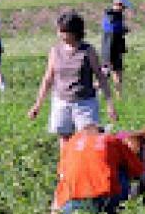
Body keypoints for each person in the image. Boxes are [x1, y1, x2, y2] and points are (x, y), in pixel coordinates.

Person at [28, 11, 117, 143]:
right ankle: (65, 164)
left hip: (85, 104)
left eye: (63, 31)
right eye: (59, 31)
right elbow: (48, 79)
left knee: (88, 140)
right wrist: (37, 105)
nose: (59, 34)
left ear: (74, 32)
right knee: (64, 140)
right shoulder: (55, 51)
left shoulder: (88, 50)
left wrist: (110, 104)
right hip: (61, 102)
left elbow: (100, 77)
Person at [50, 123, 144, 214]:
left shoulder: (70, 143)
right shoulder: (111, 140)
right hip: (105, 198)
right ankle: (116, 211)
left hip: (70, 200)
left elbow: (62, 179)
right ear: (102, 133)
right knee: (123, 168)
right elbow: (142, 174)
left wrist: (54, 212)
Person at [100, 0, 130, 97]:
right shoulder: (110, 16)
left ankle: (119, 96)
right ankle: (95, 93)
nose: (124, 9)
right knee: (105, 74)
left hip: (116, 50)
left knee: (118, 73)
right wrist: (123, 30)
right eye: (123, 7)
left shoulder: (117, 16)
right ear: (119, 4)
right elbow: (112, 33)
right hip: (109, 51)